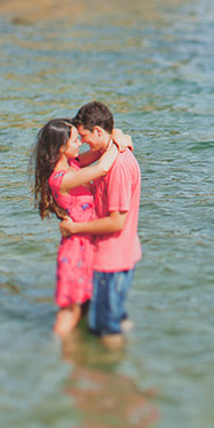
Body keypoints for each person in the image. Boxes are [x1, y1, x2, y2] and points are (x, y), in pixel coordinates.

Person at [30, 118, 129, 338]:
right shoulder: (60, 179)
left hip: (88, 244)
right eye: (76, 140)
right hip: (76, 249)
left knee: (84, 307)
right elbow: (103, 167)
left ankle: (76, 357)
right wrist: (122, 144)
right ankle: (53, 354)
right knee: (70, 311)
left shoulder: (73, 163)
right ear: (61, 148)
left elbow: (101, 148)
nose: (81, 144)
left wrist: (119, 136)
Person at [61, 101, 142, 351]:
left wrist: (73, 229)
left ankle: (112, 381)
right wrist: (118, 136)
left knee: (107, 327)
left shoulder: (117, 167)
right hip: (120, 253)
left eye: (84, 136)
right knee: (116, 317)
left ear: (97, 131)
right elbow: (92, 158)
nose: (83, 142)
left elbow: (117, 222)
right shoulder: (111, 151)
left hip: (111, 259)